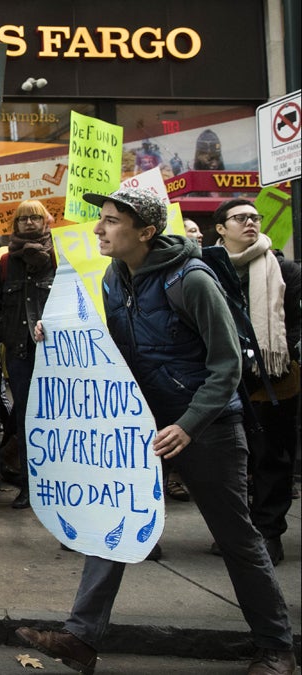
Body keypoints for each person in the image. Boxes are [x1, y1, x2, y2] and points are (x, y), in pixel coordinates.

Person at [16, 187, 295, 675]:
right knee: (114, 519)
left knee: (237, 539)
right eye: (100, 219)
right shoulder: (111, 279)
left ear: (145, 232)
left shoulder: (192, 280)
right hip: (146, 427)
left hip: (207, 429)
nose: (98, 229)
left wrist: (187, 426)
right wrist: (57, 335)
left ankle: (277, 649)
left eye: (110, 221)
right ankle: (81, 637)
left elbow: (227, 367)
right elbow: (118, 356)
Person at [213, 198, 301, 566]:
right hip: (223, 378)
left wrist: (277, 352)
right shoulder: (207, 269)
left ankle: (269, 533)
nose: (250, 222)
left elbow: (296, 322)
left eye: (255, 217)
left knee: (271, 459)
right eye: (240, 218)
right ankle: (240, 531)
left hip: (274, 378)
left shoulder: (283, 270)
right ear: (220, 228)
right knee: (230, 461)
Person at [0, 200, 56, 509]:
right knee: (27, 419)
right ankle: (32, 485)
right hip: (19, 352)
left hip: (57, 353)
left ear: (46, 221)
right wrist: (5, 332)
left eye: (35, 217)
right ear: (14, 225)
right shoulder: (5, 262)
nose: (29, 223)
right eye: (23, 218)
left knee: (59, 418)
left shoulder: (60, 255)